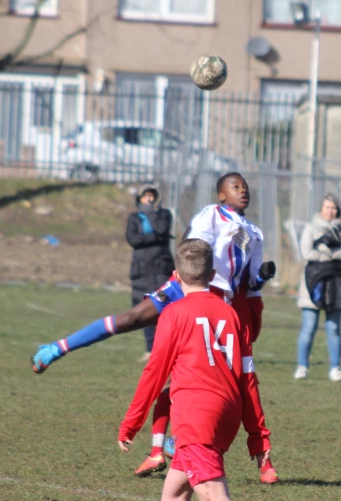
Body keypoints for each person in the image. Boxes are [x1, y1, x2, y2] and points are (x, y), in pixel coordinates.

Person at [31, 172, 279, 484]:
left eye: (245, 187)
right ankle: (56, 348)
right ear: (221, 195)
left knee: (192, 378)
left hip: (216, 303)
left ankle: (174, 444)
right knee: (131, 319)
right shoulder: (211, 215)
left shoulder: (255, 234)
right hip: (186, 286)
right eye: (235, 187)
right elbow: (194, 247)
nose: (243, 191)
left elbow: (251, 282)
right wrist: (193, 273)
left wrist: (262, 277)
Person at [118, 239, 249, 501]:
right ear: (212, 275)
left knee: (212, 492)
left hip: (195, 417)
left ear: (175, 277)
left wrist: (132, 423)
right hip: (227, 414)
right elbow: (248, 378)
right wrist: (258, 436)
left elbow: (155, 372)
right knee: (175, 493)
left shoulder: (174, 313)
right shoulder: (231, 314)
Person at [294, 194, 341, 382]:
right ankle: (302, 366)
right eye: (327, 207)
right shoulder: (310, 228)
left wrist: (327, 252)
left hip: (336, 283)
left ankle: (335, 368)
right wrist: (329, 255)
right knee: (309, 327)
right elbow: (306, 252)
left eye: (334, 208)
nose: (330, 211)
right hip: (314, 282)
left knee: (333, 327)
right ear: (321, 209)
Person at [127, 184, 174, 363]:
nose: (149, 199)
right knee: (146, 309)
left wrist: (152, 215)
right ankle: (149, 349)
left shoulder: (163, 214)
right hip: (142, 270)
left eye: (152, 196)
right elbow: (133, 239)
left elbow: (162, 230)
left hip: (162, 268)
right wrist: (153, 237)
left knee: (166, 308)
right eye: (146, 196)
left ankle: (166, 350)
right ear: (139, 198)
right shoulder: (134, 217)